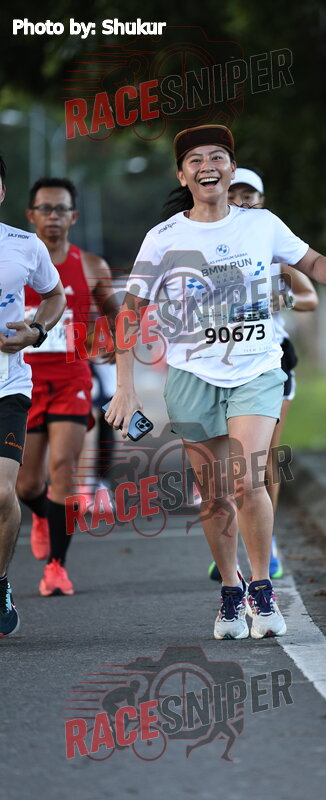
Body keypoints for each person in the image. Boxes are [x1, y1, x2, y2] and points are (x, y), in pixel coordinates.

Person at [105, 124, 326, 640]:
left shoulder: (262, 224)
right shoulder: (164, 237)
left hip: (256, 368)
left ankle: (262, 589)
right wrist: (125, 386)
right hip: (193, 375)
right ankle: (230, 589)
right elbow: (131, 312)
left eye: (218, 157)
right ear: (183, 175)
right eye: (196, 160)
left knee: (248, 479)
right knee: (214, 495)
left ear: (231, 168)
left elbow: (307, 259)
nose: (208, 166)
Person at [207, 167, 318, 582]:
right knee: (227, 462)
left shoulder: (275, 249)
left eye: (249, 195)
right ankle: (230, 545)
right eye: (235, 193)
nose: (242, 200)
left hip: (272, 360)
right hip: (223, 361)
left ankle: (266, 544)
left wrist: (280, 298)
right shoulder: (211, 248)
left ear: (261, 201)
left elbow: (310, 297)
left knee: (266, 457)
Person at [16, 177, 118, 597]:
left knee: (64, 468)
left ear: (74, 216)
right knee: (25, 485)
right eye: (45, 208)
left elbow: (116, 317)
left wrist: (109, 342)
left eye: (61, 209)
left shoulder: (91, 266)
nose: (53, 216)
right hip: (23, 381)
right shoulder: (13, 262)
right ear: (31, 215)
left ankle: (57, 567)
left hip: (72, 379)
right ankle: (43, 513)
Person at [0, 156, 66, 635]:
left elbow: (54, 295)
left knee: (3, 494)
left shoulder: (24, 245)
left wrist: (36, 331)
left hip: (7, 386)